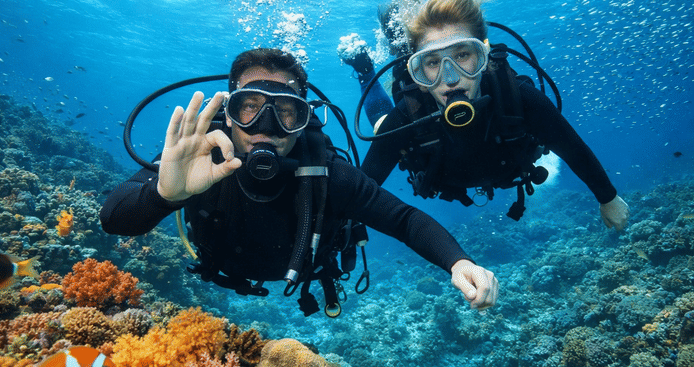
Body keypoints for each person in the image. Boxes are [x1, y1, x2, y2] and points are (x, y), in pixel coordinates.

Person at [100, 48, 499, 317]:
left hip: (310, 274)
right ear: (229, 111)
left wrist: (457, 260)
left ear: (304, 119)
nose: (266, 127)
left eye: (286, 112)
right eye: (250, 108)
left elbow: (404, 219)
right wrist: (164, 194)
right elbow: (114, 219)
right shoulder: (197, 154)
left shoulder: (326, 172)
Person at [360, 0, 630, 230]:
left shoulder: (517, 97)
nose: (451, 79)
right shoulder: (409, 115)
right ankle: (363, 70)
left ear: (483, 57)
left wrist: (608, 197)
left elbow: (572, 147)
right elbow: (362, 188)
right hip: (434, 157)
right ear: (419, 76)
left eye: (463, 54)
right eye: (432, 63)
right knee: (383, 124)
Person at [339, 0, 419, 133]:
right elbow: (384, 126)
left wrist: (366, 75)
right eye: (393, 36)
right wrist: (366, 73)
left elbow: (383, 126)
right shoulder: (401, 73)